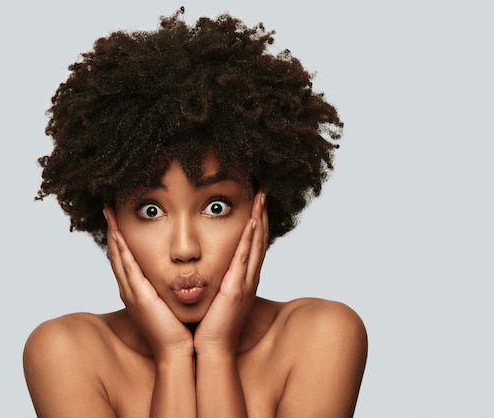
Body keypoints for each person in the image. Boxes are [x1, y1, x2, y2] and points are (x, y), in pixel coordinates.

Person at [23, 8, 367, 418]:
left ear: (261, 204)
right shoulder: (66, 352)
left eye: (216, 207)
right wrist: (172, 356)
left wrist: (215, 350)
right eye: (150, 210)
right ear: (110, 218)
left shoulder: (323, 336)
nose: (184, 249)